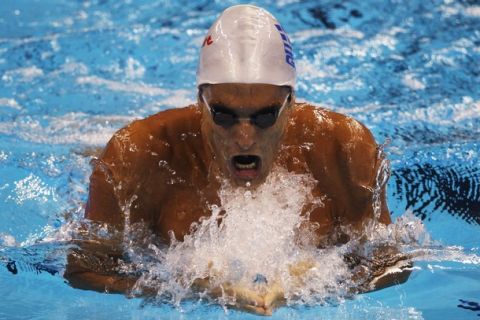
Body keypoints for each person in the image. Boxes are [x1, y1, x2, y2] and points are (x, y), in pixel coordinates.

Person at [65, 5, 411, 315]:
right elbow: (83, 270)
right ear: (201, 102)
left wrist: (309, 286)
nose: (244, 138)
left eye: (264, 117)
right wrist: (196, 288)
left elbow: (392, 264)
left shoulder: (345, 150)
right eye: (224, 115)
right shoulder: (136, 157)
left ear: (290, 105)